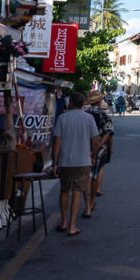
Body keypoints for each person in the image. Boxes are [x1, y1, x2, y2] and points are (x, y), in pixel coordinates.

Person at [52, 91, 99, 236]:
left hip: (65, 161)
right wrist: (93, 155)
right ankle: (72, 226)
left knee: (64, 191)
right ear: (83, 103)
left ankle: (64, 222)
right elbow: (95, 141)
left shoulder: (62, 118)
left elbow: (57, 142)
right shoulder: (89, 118)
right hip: (83, 161)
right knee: (77, 192)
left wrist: (55, 163)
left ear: (70, 103)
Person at [84, 98, 114, 215]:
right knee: (95, 173)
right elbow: (109, 132)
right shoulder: (104, 115)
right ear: (98, 102)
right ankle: (92, 201)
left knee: (87, 175)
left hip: (85, 147)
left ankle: (87, 204)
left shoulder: (85, 114)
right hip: (100, 148)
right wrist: (103, 145)